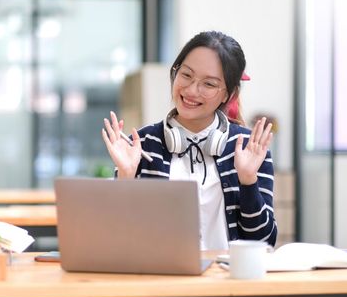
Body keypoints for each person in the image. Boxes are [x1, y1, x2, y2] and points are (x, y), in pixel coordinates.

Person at [101, 31, 277, 249]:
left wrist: (248, 180)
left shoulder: (250, 147)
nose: (192, 90)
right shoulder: (143, 144)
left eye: (209, 84)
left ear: (228, 95)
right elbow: (117, 237)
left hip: (227, 278)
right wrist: (126, 179)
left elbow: (264, 242)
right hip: (162, 277)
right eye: (186, 75)